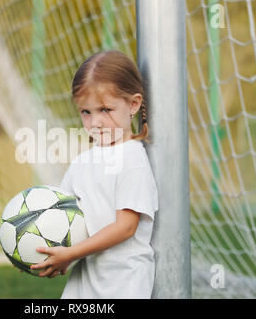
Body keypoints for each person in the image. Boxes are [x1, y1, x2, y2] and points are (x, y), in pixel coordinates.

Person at [30, 50, 159, 299]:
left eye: (105, 110)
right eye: (86, 112)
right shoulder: (82, 162)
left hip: (123, 283)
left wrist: (72, 253)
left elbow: (125, 227)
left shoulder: (131, 160)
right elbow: (63, 215)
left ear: (133, 104)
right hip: (85, 280)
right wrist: (32, 251)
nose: (95, 122)